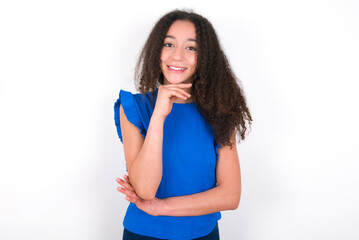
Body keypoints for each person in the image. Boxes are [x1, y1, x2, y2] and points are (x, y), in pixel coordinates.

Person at [114, 9, 252, 240]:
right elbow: (145, 190)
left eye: (191, 47)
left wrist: (162, 207)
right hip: (144, 234)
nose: (177, 56)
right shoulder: (134, 108)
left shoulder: (219, 112)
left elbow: (230, 196)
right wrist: (158, 115)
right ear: (156, 50)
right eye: (168, 44)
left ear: (204, 57)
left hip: (203, 234)